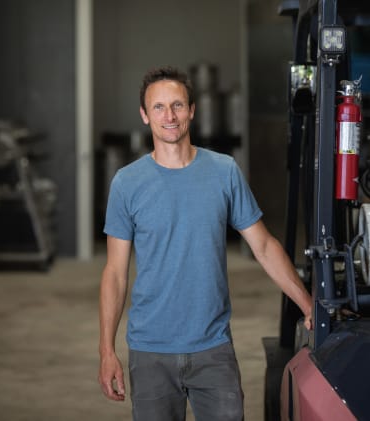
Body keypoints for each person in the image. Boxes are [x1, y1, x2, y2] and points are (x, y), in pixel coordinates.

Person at [98, 65, 312, 421]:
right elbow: (115, 273)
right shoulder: (126, 184)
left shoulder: (223, 171)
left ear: (192, 110)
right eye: (159, 107)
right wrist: (106, 350)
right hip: (150, 352)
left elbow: (263, 246)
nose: (169, 116)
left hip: (213, 349)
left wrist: (308, 304)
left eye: (178, 105)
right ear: (144, 114)